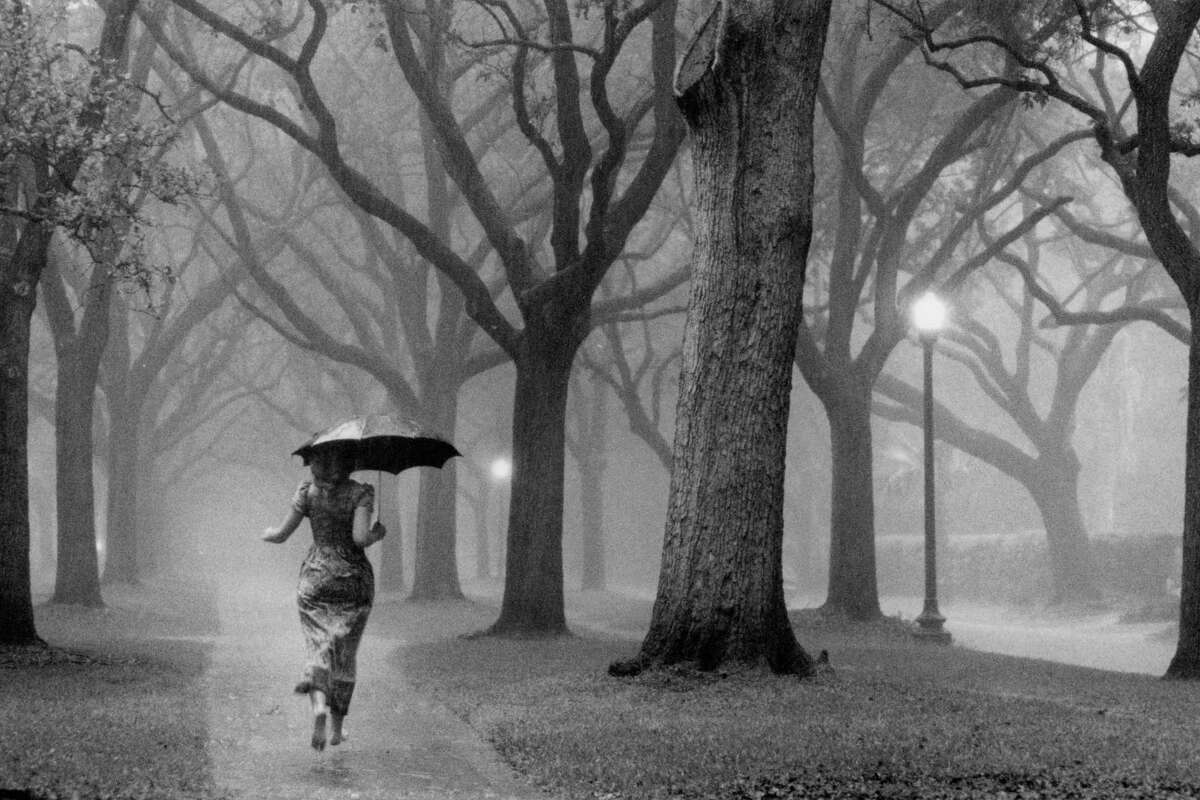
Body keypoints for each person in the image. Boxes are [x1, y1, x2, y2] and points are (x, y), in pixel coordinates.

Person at [261, 443, 386, 751]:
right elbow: (359, 539)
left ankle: (317, 706)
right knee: (344, 655)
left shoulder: (307, 492)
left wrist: (267, 533)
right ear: (348, 463)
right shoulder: (360, 493)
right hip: (353, 582)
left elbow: (280, 535)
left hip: (315, 579)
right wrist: (376, 534)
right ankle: (337, 729)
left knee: (318, 647)